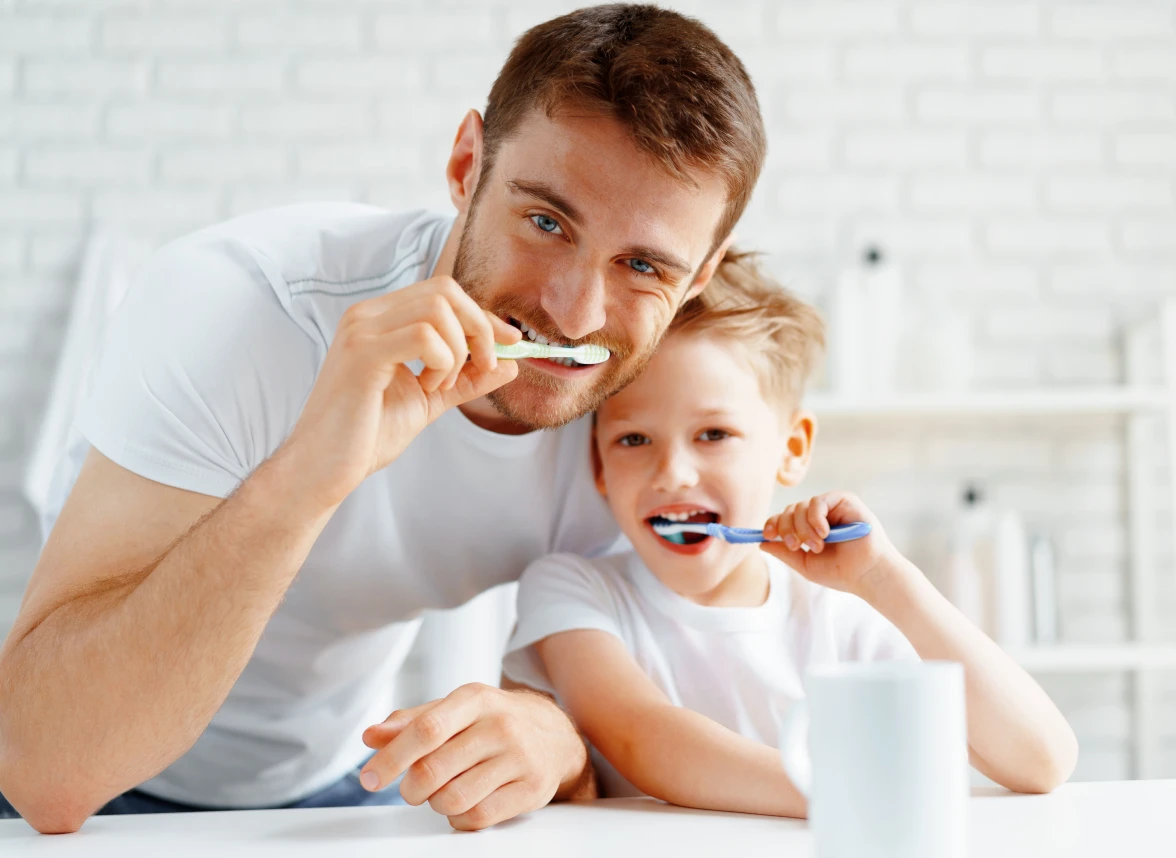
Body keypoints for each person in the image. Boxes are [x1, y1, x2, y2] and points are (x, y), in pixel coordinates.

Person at [0, 5, 766, 833]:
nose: (576, 315)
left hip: (332, 788)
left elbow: (679, 707)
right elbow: (45, 772)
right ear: (467, 164)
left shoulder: (654, 426)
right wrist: (309, 477)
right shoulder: (237, 313)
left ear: (698, 280)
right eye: (546, 221)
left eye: (644, 264)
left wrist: (560, 740)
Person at [502, 256, 1079, 815]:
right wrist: (846, 795)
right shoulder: (572, 589)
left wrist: (887, 580)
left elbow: (1042, 760)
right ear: (599, 464)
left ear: (792, 448)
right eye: (633, 440)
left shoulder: (836, 615)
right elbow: (638, 734)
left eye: (713, 434)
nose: (672, 473)